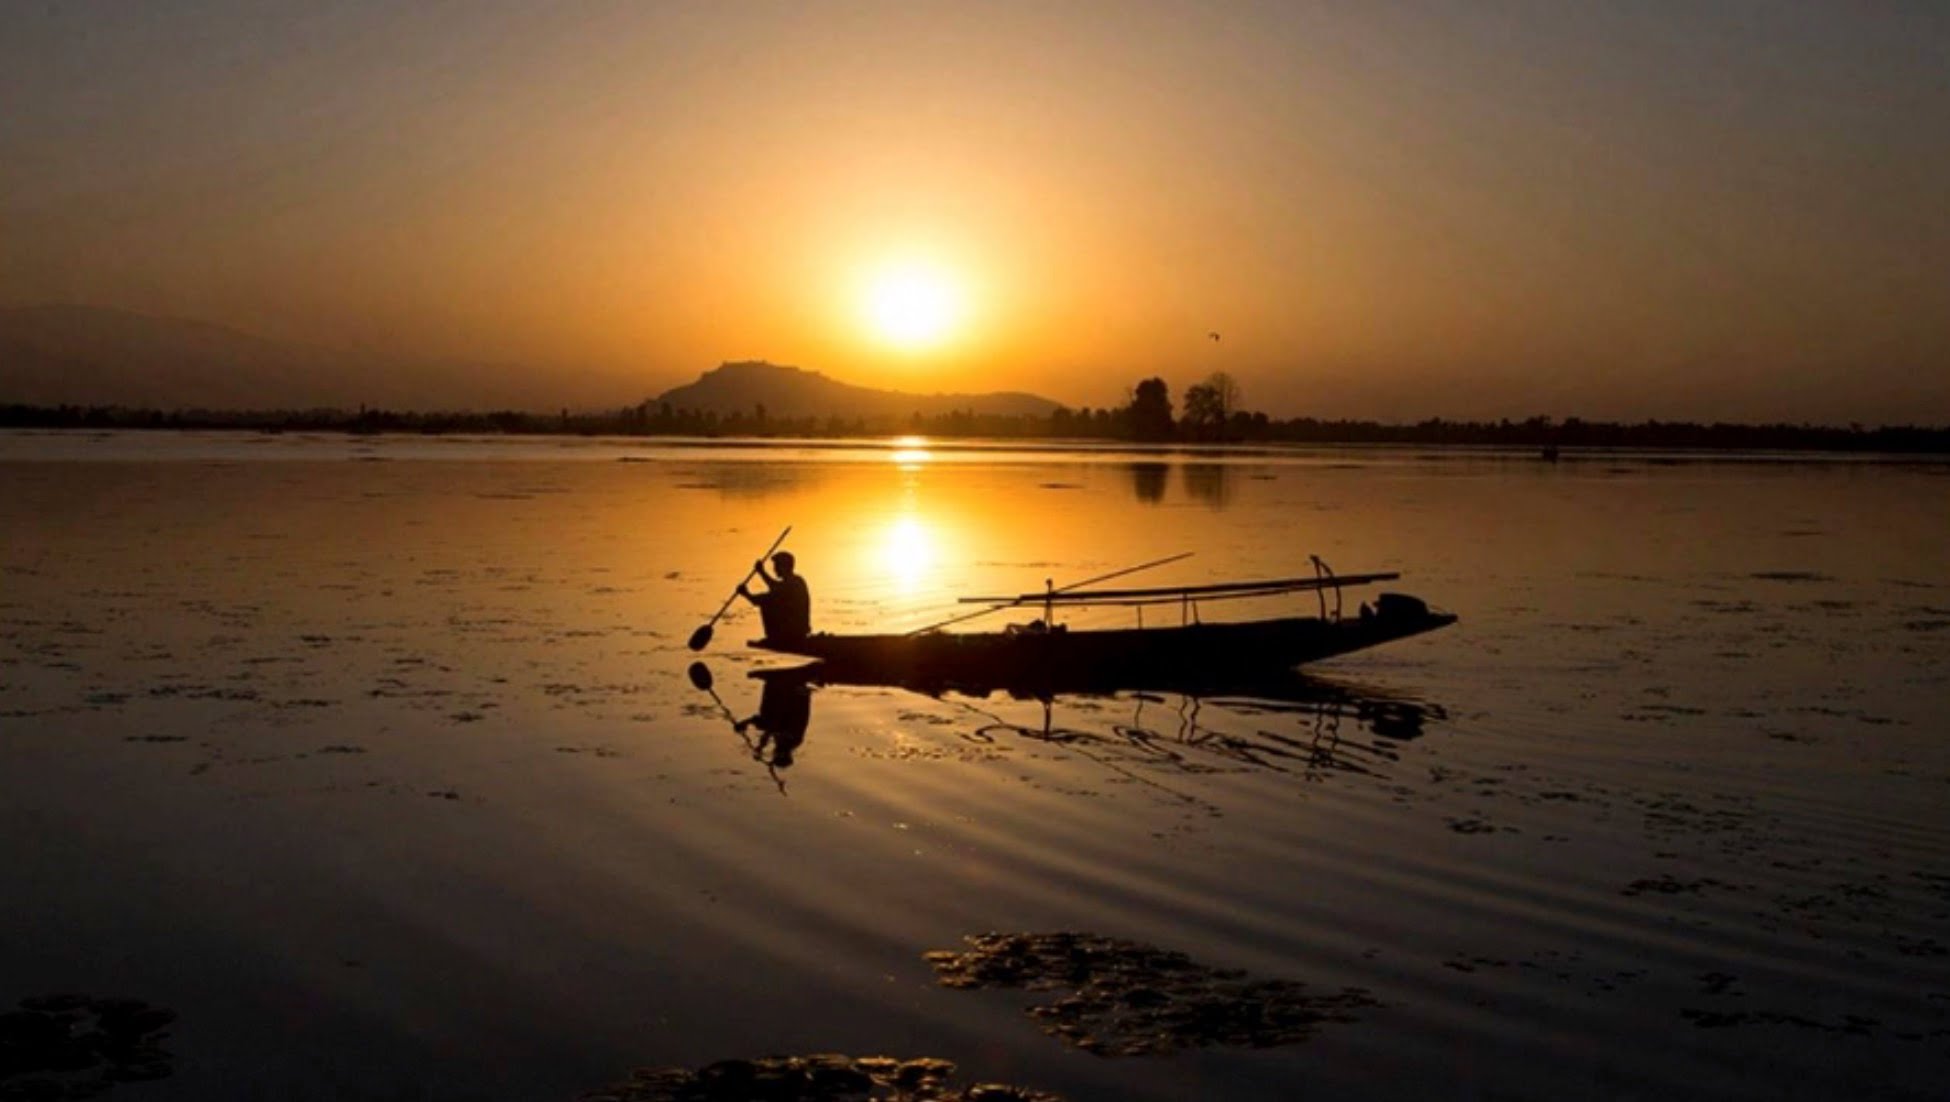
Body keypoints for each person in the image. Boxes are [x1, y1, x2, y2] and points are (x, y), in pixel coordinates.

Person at [737, 550, 811, 643]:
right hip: (797, 629)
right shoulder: (796, 581)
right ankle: (776, 635)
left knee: (767, 602)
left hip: (794, 631)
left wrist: (746, 594)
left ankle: (775, 637)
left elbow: (769, 594)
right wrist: (761, 572)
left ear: (784, 567)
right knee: (769, 599)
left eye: (777, 565)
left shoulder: (794, 582)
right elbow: (775, 587)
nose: (775, 569)